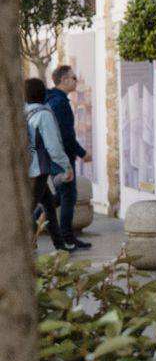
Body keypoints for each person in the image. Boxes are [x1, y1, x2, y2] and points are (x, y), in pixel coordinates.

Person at [24, 77, 76, 252]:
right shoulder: (43, 114)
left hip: (25, 168)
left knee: (49, 205)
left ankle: (60, 244)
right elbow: (53, 147)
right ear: (44, 94)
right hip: (37, 169)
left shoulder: (22, 113)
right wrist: (66, 165)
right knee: (27, 209)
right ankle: (28, 247)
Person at [45, 64, 90, 249]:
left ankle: (33, 222)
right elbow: (66, 135)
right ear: (64, 80)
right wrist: (82, 153)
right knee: (68, 195)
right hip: (62, 157)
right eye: (73, 78)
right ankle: (66, 237)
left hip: (56, 155)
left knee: (59, 195)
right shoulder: (60, 103)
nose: (76, 81)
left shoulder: (54, 100)